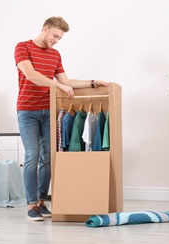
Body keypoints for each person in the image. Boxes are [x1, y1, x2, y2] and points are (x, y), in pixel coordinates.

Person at [14, 16, 109, 221]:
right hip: (27, 111)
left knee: (48, 157)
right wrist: (58, 86)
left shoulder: (55, 55)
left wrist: (92, 82)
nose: (56, 40)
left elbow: (67, 81)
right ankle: (30, 205)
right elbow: (31, 75)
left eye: (59, 38)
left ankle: (41, 201)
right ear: (45, 29)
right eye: (55, 36)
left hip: (49, 111)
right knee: (32, 154)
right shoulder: (22, 47)